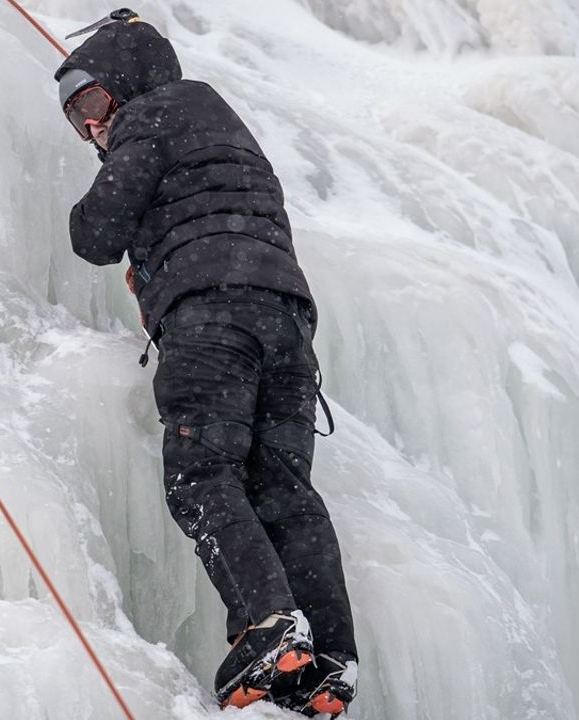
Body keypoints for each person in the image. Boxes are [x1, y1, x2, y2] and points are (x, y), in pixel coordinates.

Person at [55, 9, 359, 717]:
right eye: (81, 121)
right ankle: (327, 665)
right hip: (286, 325)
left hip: (211, 316)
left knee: (200, 472)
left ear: (128, 82)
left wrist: (122, 181)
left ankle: (269, 626)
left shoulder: (155, 113)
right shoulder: (227, 132)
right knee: (282, 490)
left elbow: (95, 232)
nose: (95, 127)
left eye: (96, 104)